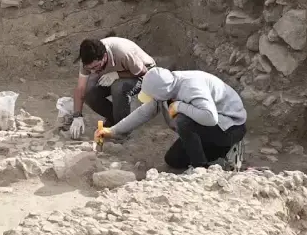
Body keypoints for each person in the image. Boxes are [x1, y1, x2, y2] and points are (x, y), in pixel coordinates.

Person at [95, 67, 247, 172]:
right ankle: (225, 152)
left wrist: (179, 106)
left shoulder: (191, 86)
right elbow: (143, 112)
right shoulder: (166, 84)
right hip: (211, 129)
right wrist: (113, 131)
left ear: (161, 92)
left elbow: (210, 118)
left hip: (231, 127)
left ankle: (201, 170)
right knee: (173, 160)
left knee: (183, 121)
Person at [67, 36, 156, 139]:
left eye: (95, 67)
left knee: (118, 87)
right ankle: (114, 119)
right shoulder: (87, 60)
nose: (92, 72)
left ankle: (122, 130)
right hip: (115, 72)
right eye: (89, 69)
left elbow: (143, 72)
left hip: (143, 73)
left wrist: (117, 74)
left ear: (104, 57)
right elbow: (81, 88)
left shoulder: (122, 52)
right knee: (89, 92)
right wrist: (77, 116)